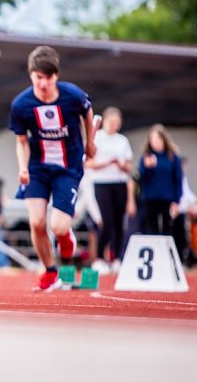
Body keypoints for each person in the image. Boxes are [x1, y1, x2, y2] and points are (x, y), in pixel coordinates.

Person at [10, 45, 97, 291]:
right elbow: (21, 142)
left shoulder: (73, 95)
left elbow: (88, 112)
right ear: (31, 75)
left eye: (48, 77)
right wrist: (22, 167)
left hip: (68, 167)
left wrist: (90, 142)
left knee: (58, 226)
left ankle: (66, 239)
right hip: (37, 167)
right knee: (36, 222)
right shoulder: (21, 105)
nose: (43, 83)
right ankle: (50, 271)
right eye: (38, 77)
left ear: (56, 76)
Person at [85, 107, 135, 274]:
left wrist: (121, 165)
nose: (114, 125)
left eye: (117, 123)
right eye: (112, 122)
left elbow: (129, 166)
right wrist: (107, 163)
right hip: (101, 183)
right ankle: (99, 257)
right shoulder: (97, 138)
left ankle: (116, 258)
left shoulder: (122, 141)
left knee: (119, 222)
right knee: (106, 221)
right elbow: (88, 163)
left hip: (119, 183)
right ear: (105, 121)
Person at [137, 124, 183, 235]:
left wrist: (177, 201)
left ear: (163, 139)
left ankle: (166, 250)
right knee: (152, 227)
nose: (155, 142)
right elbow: (140, 178)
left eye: (157, 139)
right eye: (152, 139)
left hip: (167, 198)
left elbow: (178, 179)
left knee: (167, 227)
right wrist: (148, 168)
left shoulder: (172, 157)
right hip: (150, 198)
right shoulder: (146, 157)